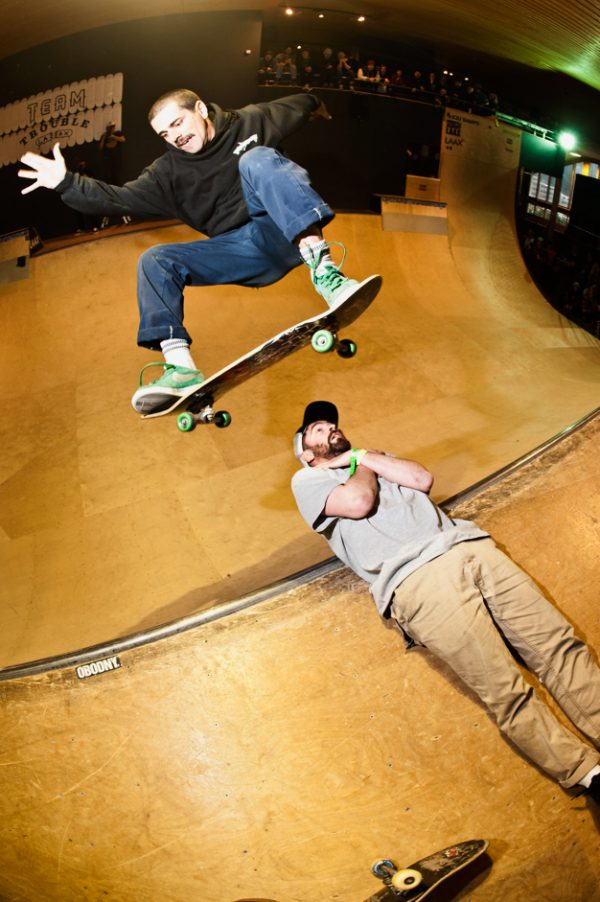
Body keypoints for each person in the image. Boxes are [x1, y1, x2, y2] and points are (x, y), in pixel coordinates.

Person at [291, 400, 600, 810]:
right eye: (316, 428)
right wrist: (359, 464)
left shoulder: (375, 458)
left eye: (330, 422)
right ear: (305, 453)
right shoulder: (307, 480)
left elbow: (421, 477)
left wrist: (364, 455)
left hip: (471, 549)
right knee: (504, 689)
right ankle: (588, 775)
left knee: (560, 647)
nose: (329, 426)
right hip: (416, 582)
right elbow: (358, 503)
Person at [18, 91, 377, 414]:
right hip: (242, 252)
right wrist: (66, 182)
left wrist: (318, 105)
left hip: (284, 230)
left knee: (257, 159)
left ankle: (327, 275)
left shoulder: (250, 121)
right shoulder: (166, 174)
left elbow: (300, 103)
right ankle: (181, 368)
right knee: (155, 259)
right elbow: (117, 197)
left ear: (201, 109)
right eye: (165, 134)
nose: (176, 136)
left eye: (178, 122)